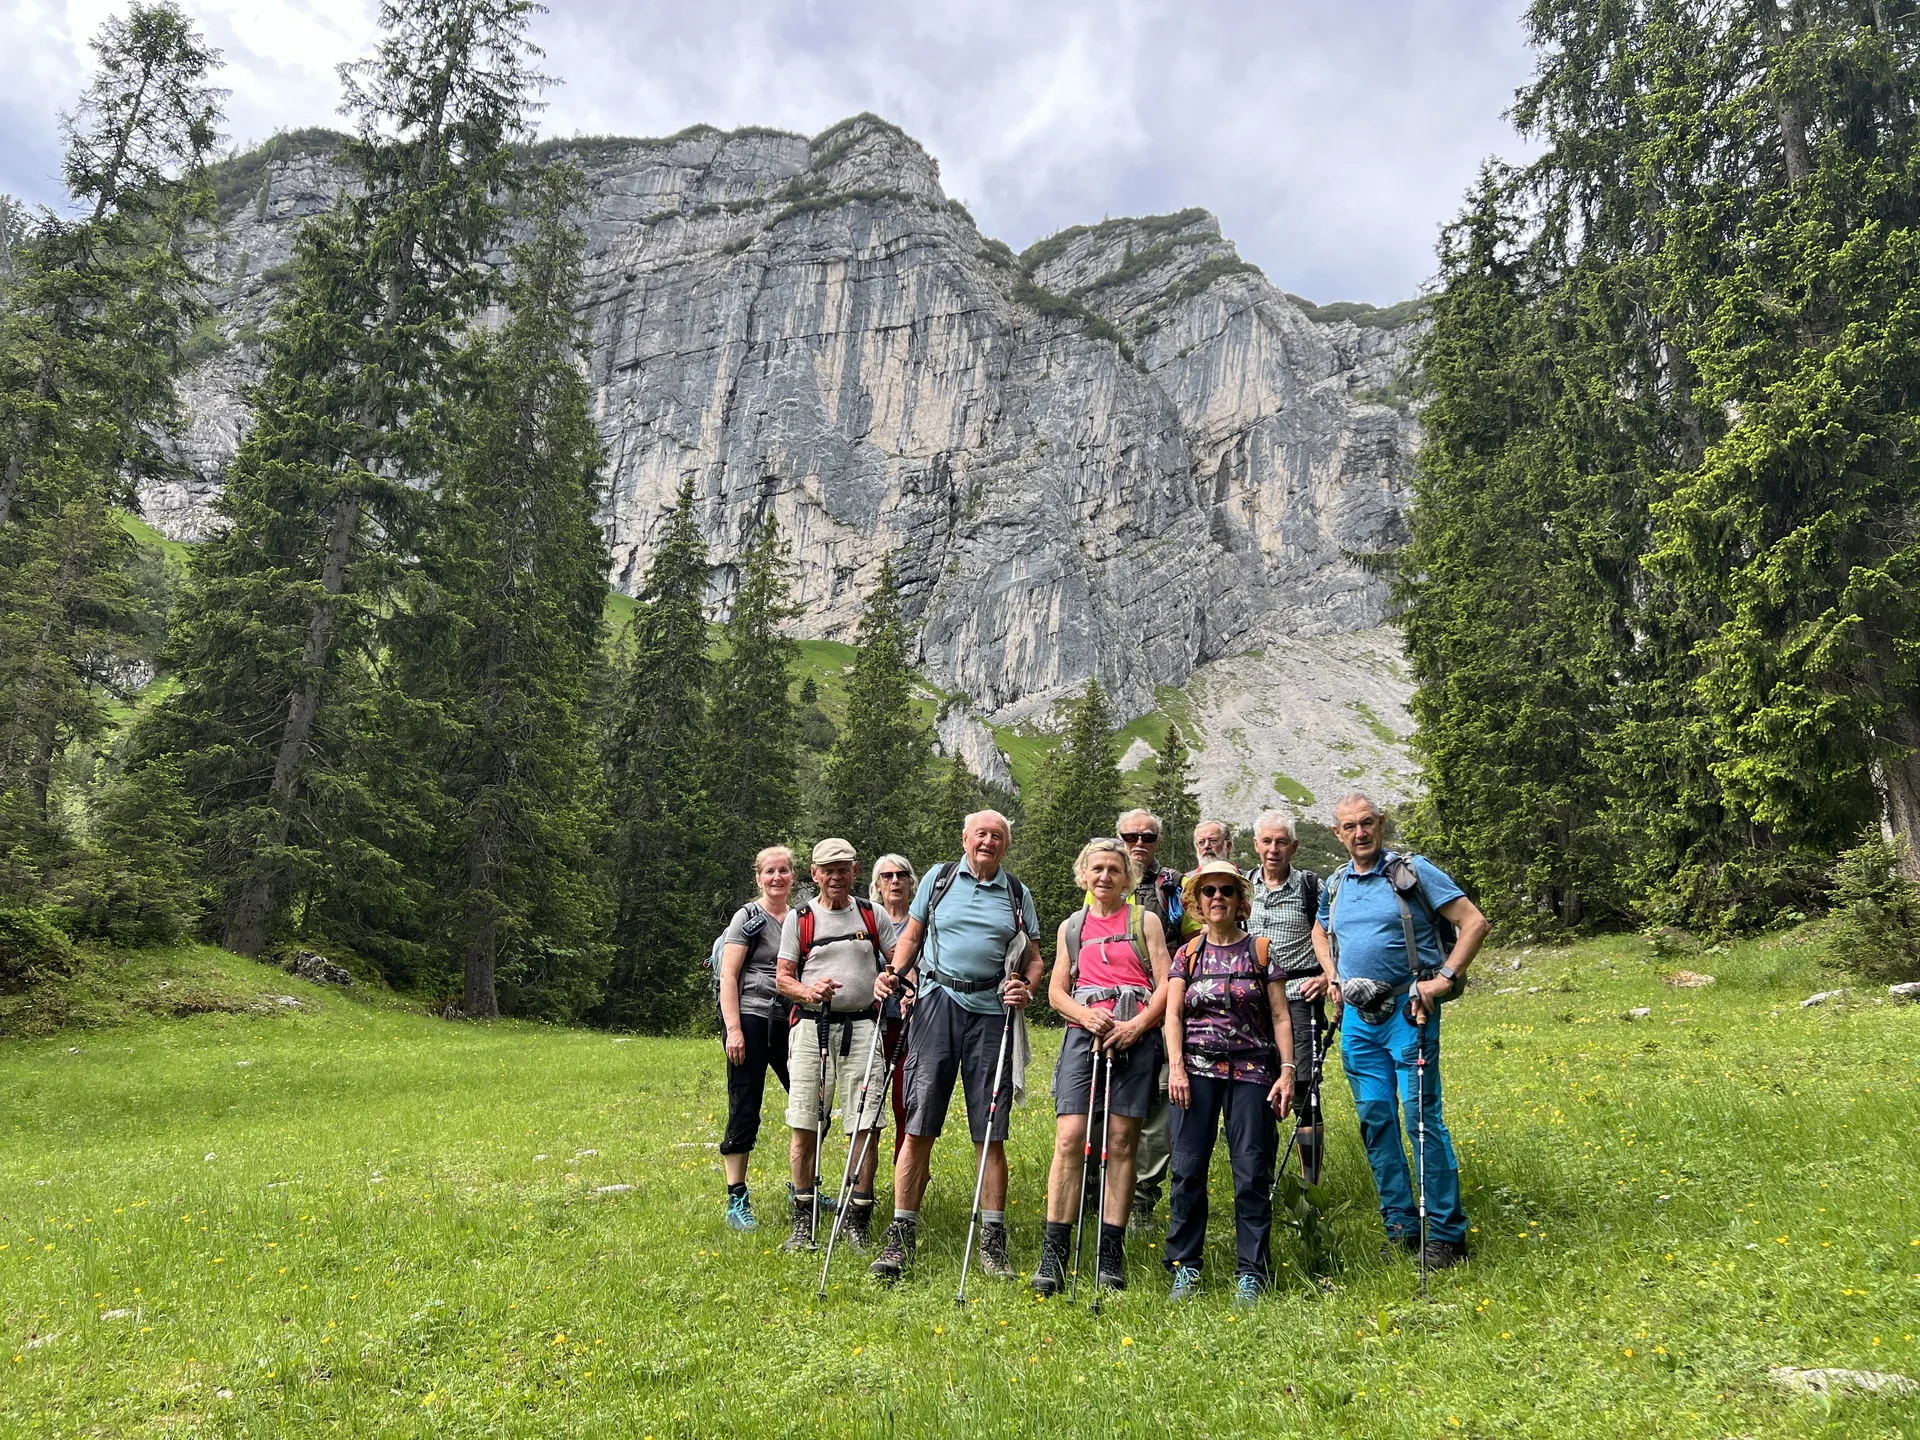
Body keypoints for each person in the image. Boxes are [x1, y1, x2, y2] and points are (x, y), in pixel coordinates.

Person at [1313, 792, 1488, 1271]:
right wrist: (1332, 973)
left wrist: (1443, 979)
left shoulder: (1411, 870)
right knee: (1376, 1120)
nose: (1360, 833)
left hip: (1408, 1011)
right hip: (1357, 1019)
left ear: (1381, 823)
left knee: (1420, 1118)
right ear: (1338, 833)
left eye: (1367, 823)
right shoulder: (1336, 883)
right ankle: (1401, 1227)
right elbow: (1320, 928)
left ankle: (1447, 1234)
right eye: (1349, 827)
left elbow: (1473, 922)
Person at [869, 810, 1041, 1284]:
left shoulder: (1016, 893)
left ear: (1006, 845)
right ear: (965, 839)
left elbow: (1034, 957)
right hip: (938, 1003)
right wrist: (895, 974)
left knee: (991, 1132)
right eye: (980, 834)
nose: (988, 841)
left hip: (992, 1013)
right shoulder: (938, 879)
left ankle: (992, 1243)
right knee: (920, 1122)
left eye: (997, 836)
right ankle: (901, 1236)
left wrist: (1025, 987)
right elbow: (913, 935)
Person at [1034, 838, 1172, 1296]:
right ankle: (1054, 1251)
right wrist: (1083, 1014)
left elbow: (1169, 983)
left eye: (1114, 869)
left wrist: (1137, 1027)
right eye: (1097, 869)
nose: (1105, 877)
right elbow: (1056, 992)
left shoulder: (1145, 921)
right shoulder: (1072, 926)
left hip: (1134, 1031)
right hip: (1084, 1033)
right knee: (1070, 1138)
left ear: (1127, 877)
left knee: (1121, 1140)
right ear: (1084, 874)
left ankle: (1110, 1253)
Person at [1164, 859, 1294, 1305]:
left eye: (1225, 891)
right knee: (1186, 1170)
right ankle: (1185, 1267)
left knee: (1252, 1171)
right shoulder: (1187, 953)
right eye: (1208, 891)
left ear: (1241, 901)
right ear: (1197, 903)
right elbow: (1173, 1015)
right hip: (1195, 1073)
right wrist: (1176, 1068)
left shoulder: (1260, 950)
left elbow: (1280, 1015)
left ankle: (1252, 1271)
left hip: (1252, 1072)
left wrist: (1288, 1072)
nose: (1216, 897)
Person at [776, 838, 898, 1252]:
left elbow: (899, 960)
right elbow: (783, 978)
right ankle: (803, 1222)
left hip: (864, 1027)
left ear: (855, 870)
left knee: (866, 1126)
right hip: (811, 1028)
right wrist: (810, 992)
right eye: (827, 870)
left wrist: (892, 979)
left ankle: (857, 1220)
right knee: (804, 1124)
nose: (835, 876)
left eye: (843, 868)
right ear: (814, 874)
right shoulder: (801, 918)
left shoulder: (872, 913)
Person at [1111, 808, 1188, 1229]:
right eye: (1131, 835)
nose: (1139, 843)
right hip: (1108, 1006)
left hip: (1162, 1007)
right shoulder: (1104, 876)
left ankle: (1142, 1197)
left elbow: (1196, 939)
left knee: (1158, 1103)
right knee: (1105, 1098)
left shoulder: (1172, 884)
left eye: (1148, 836)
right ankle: (1097, 1187)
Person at [1244, 809, 1330, 1185]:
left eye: (1282, 842)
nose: (1274, 849)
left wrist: (1329, 976)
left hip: (1298, 995)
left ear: (1294, 845)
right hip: (1251, 1001)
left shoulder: (1313, 887)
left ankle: (1310, 1184)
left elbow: (1336, 935)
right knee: (1256, 1087)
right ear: (1256, 845)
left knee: (1304, 1090)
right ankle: (1259, 1177)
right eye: (1267, 841)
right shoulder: (1242, 886)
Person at [717, 845, 796, 1232]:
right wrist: (733, 1029)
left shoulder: (801, 918)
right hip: (750, 1017)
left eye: (783, 870)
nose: (777, 877)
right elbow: (728, 975)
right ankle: (737, 1198)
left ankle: (803, 1187)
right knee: (745, 1105)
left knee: (808, 1101)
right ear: (759, 878)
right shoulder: (747, 918)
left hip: (790, 1020)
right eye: (770, 872)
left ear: (793, 876)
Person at [869, 853, 918, 1158]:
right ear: (877, 884)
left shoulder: (923, 924)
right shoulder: (867, 920)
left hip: (913, 1026)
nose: (895, 881)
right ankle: (862, 1186)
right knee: (869, 1105)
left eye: (901, 875)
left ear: (912, 882)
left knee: (906, 1103)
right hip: (873, 1024)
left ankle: (906, 1178)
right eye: (887, 876)